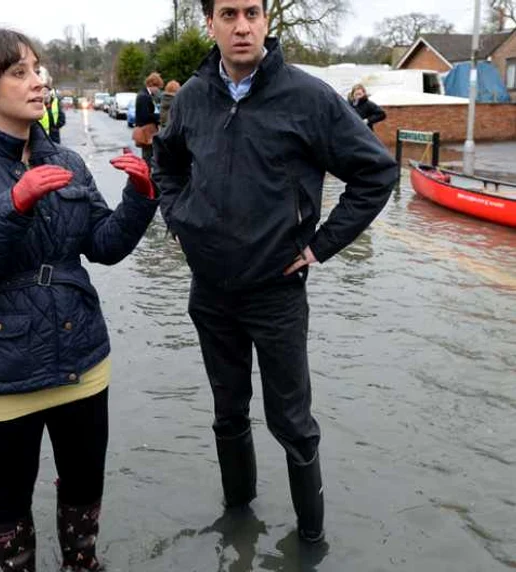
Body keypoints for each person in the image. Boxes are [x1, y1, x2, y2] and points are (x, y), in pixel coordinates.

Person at [152, 0, 398, 544]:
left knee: (292, 421)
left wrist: (320, 247)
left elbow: (376, 173)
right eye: (229, 14)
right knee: (227, 412)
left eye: (253, 12)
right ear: (210, 23)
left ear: (267, 20)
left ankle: (311, 541)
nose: (242, 26)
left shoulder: (308, 97)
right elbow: (165, 162)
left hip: (277, 291)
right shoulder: (192, 97)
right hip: (210, 289)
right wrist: (179, 217)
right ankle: (237, 523)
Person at [0, 29, 158, 572]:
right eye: (20, 72)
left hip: (80, 358)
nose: (39, 81)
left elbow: (102, 246)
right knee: (7, 494)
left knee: (84, 479)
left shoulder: (67, 160)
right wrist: (13, 205)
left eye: (38, 69)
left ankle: (81, 563)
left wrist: (141, 202)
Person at [134, 72, 164, 165]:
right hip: (146, 132)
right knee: (148, 157)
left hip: (145, 131)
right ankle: (147, 177)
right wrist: (159, 117)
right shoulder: (144, 96)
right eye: (158, 87)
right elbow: (145, 115)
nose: (158, 90)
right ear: (152, 85)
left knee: (147, 156)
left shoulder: (144, 94)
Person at [38, 68, 66, 144]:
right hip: (40, 139)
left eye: (46, 92)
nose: (45, 95)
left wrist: (55, 127)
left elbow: (62, 119)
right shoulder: (37, 103)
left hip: (54, 138)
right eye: (43, 93)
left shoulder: (55, 102)